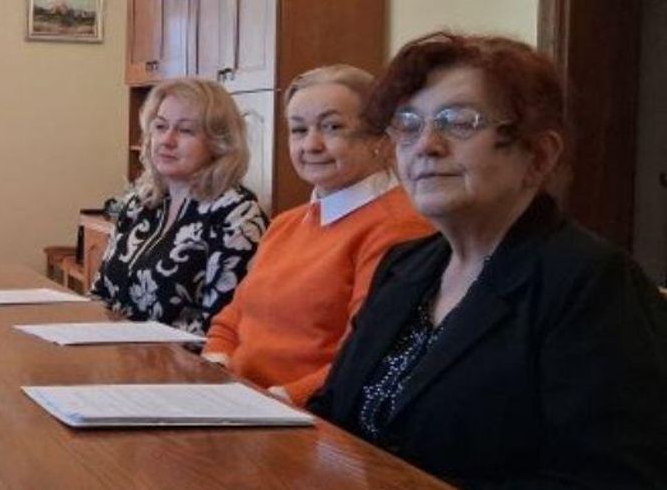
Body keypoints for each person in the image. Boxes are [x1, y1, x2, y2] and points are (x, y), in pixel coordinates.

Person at [310, 32, 667, 488]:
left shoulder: (594, 283)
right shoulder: (403, 265)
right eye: (408, 125)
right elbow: (333, 409)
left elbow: (613, 479)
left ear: (539, 155)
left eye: (459, 122)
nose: (426, 145)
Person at [202, 65, 431, 404]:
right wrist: (215, 364)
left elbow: (365, 355)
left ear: (381, 138)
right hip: (242, 401)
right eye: (298, 130)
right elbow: (234, 315)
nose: (311, 144)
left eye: (332, 127)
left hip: (308, 414)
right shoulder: (286, 223)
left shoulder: (399, 227)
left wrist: (281, 399)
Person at [90, 77, 268, 334]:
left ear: (219, 143)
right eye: (160, 126)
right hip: (112, 349)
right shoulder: (140, 203)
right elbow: (100, 294)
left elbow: (220, 329)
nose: (167, 140)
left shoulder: (237, 215)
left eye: (185, 130)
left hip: (180, 357)